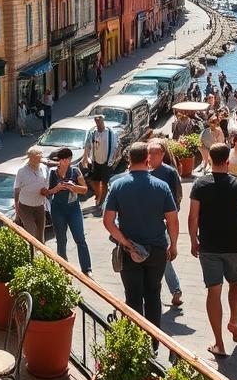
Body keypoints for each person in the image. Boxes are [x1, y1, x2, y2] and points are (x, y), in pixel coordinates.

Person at [189, 143, 237, 359]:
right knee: (236, 283)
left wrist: (193, 240)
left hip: (209, 246)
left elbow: (193, 216)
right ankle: (234, 320)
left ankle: (219, 343)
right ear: (227, 162)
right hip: (235, 245)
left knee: (214, 290)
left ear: (210, 160)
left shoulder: (200, 185)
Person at [104, 143, 178, 345]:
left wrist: (125, 242)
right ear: (147, 159)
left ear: (129, 160)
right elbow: (172, 220)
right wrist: (174, 245)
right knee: (153, 294)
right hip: (156, 250)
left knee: (133, 297)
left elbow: (108, 222)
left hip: (131, 251)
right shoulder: (161, 186)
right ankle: (153, 342)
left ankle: (135, 343)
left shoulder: (118, 185)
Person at [147, 137, 183, 307]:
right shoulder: (141, 171)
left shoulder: (169, 172)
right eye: (149, 152)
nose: (151, 156)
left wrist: (170, 216)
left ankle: (173, 289)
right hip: (146, 222)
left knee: (164, 256)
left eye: (155, 152)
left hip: (164, 222)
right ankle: (175, 290)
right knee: (162, 257)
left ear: (162, 154)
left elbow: (177, 197)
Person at [45, 147, 92, 274]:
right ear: (59, 160)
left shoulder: (75, 171)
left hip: (73, 208)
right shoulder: (52, 173)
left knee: (80, 238)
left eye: (68, 159)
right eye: (63, 159)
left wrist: (74, 187)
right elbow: (47, 193)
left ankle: (86, 268)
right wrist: (57, 188)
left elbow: (84, 189)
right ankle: (62, 266)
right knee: (61, 239)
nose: (66, 161)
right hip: (58, 208)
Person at [82, 115, 116, 216]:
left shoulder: (110, 133)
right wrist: (85, 157)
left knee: (104, 182)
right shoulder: (93, 133)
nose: (98, 123)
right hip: (96, 161)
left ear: (103, 121)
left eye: (100, 121)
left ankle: (101, 202)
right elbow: (87, 145)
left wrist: (112, 159)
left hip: (106, 162)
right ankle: (98, 195)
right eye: (96, 121)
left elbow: (115, 146)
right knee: (95, 181)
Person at [13, 147, 49, 242]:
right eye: (35, 157)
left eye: (39, 157)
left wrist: (46, 191)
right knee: (31, 232)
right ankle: (31, 253)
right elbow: (16, 191)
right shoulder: (22, 171)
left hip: (40, 206)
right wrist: (17, 213)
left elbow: (46, 185)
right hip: (25, 207)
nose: (38, 160)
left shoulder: (44, 168)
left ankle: (41, 254)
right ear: (30, 158)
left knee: (40, 233)